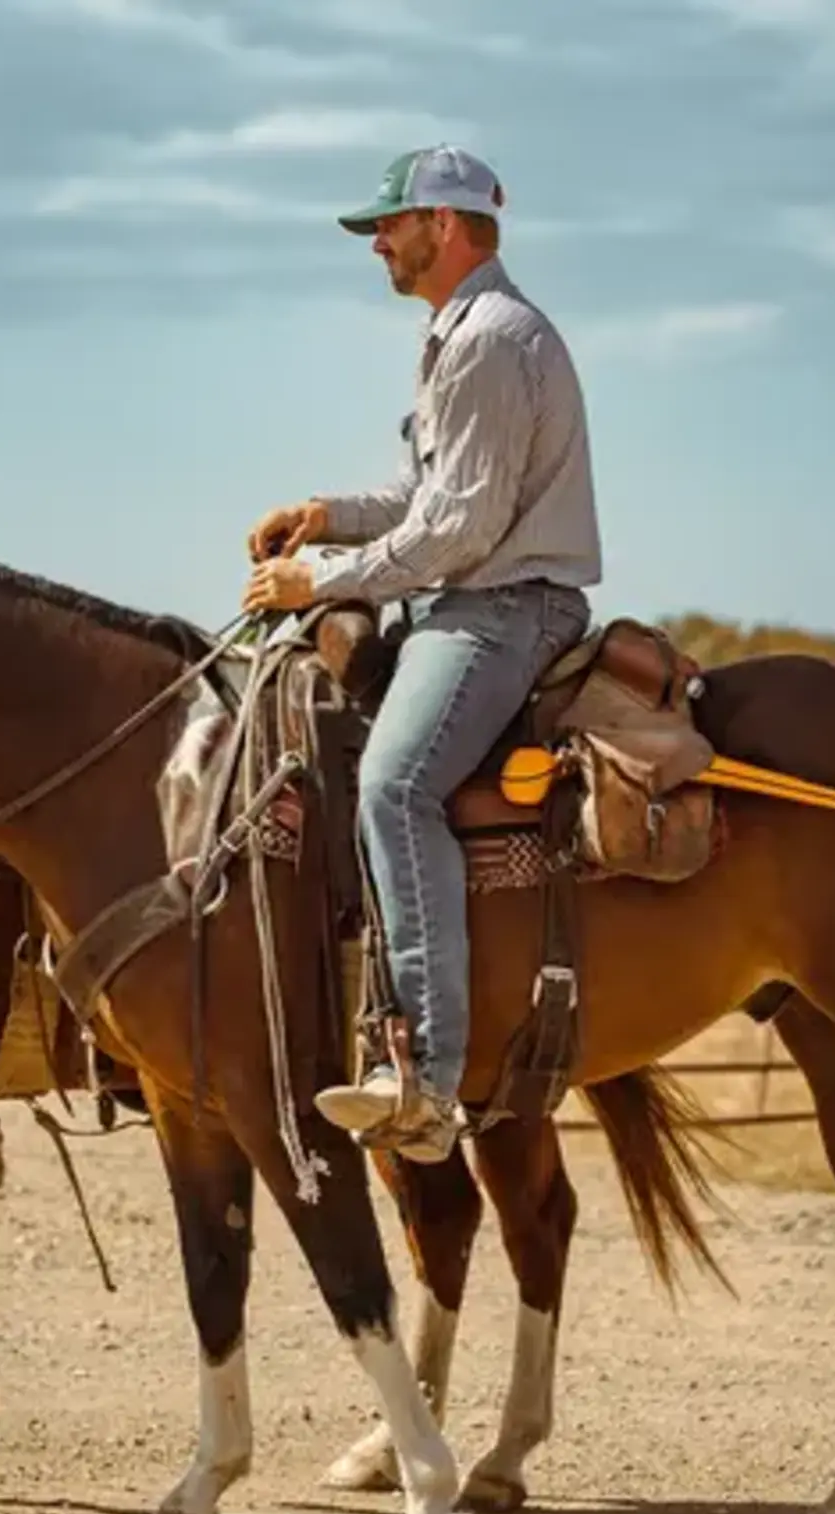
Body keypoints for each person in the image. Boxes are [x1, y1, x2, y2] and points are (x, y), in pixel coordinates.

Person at [242, 144, 603, 1163]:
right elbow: (428, 501)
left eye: (388, 226)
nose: (378, 245)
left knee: (394, 786)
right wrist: (327, 515)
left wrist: (321, 580)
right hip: (475, 595)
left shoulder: (490, 341)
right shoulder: (466, 334)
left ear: (442, 226)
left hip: (501, 607)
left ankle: (426, 1076)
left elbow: (459, 532)